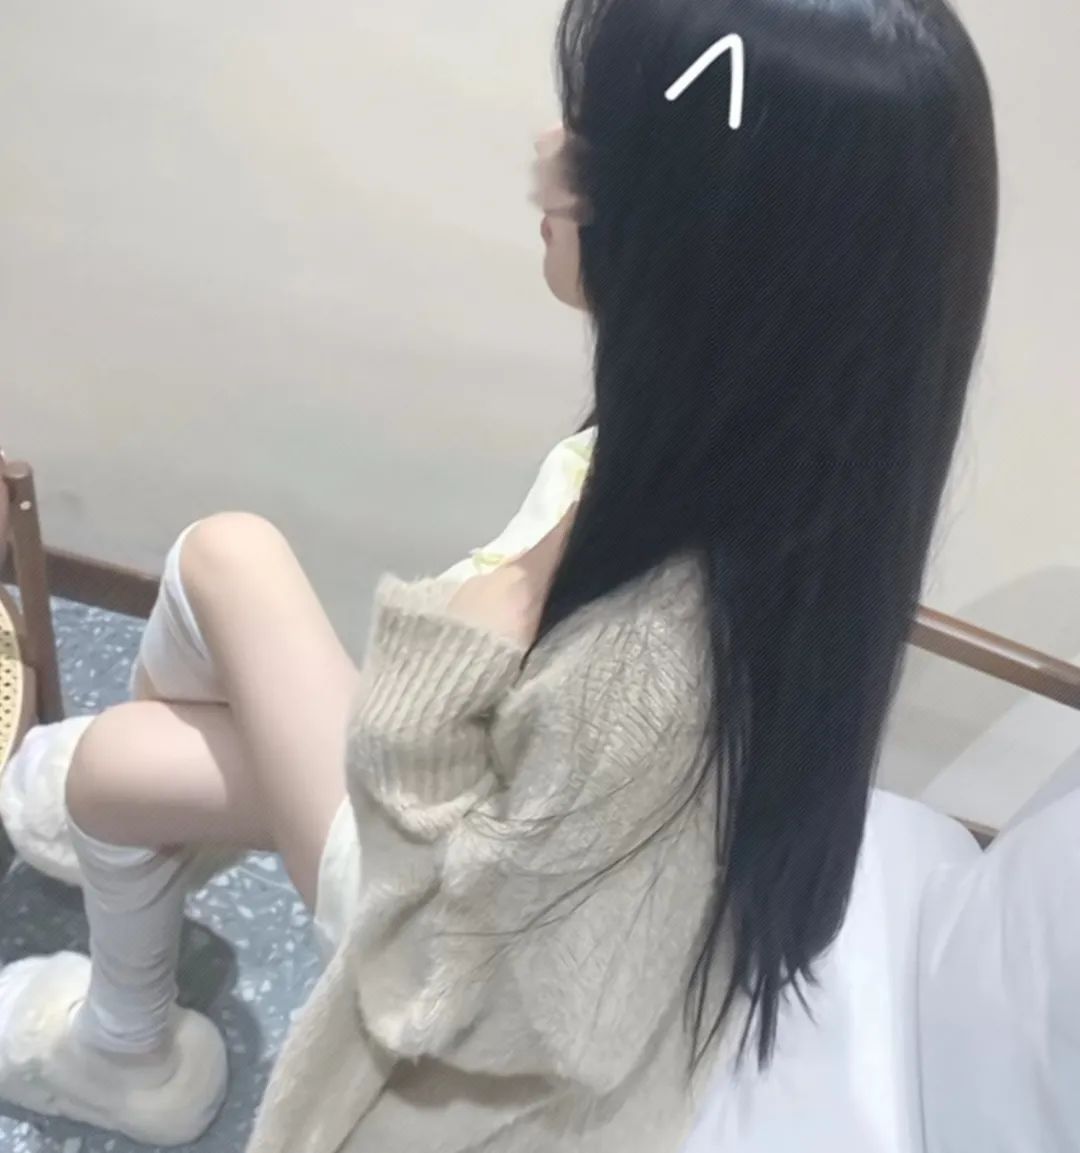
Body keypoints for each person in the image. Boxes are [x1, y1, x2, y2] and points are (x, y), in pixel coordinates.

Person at [0, 0, 998, 1149]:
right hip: (503, 833)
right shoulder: (789, 479)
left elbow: (447, 980)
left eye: (594, 145)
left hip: (435, 921)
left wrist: (479, 624)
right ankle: (134, 864)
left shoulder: (650, 659)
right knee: (181, 643)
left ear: (705, 239)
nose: (547, 156)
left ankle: (125, 1047)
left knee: (127, 738)